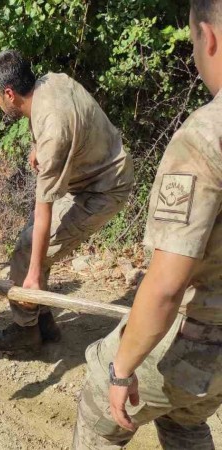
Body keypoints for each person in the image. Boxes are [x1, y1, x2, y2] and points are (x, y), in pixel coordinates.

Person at [73, 2, 222, 448]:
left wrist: (122, 370)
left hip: (201, 342)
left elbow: (166, 286)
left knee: (102, 399)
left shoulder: (204, 138)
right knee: (181, 418)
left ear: (207, 37)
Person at [0, 50, 134, 354]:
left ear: (10, 94)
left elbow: (44, 213)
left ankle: (27, 329)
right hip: (91, 175)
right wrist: (36, 145)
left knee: (29, 248)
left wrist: (34, 274)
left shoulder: (54, 131)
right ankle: (43, 322)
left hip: (102, 189)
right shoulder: (50, 82)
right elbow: (59, 123)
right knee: (33, 246)